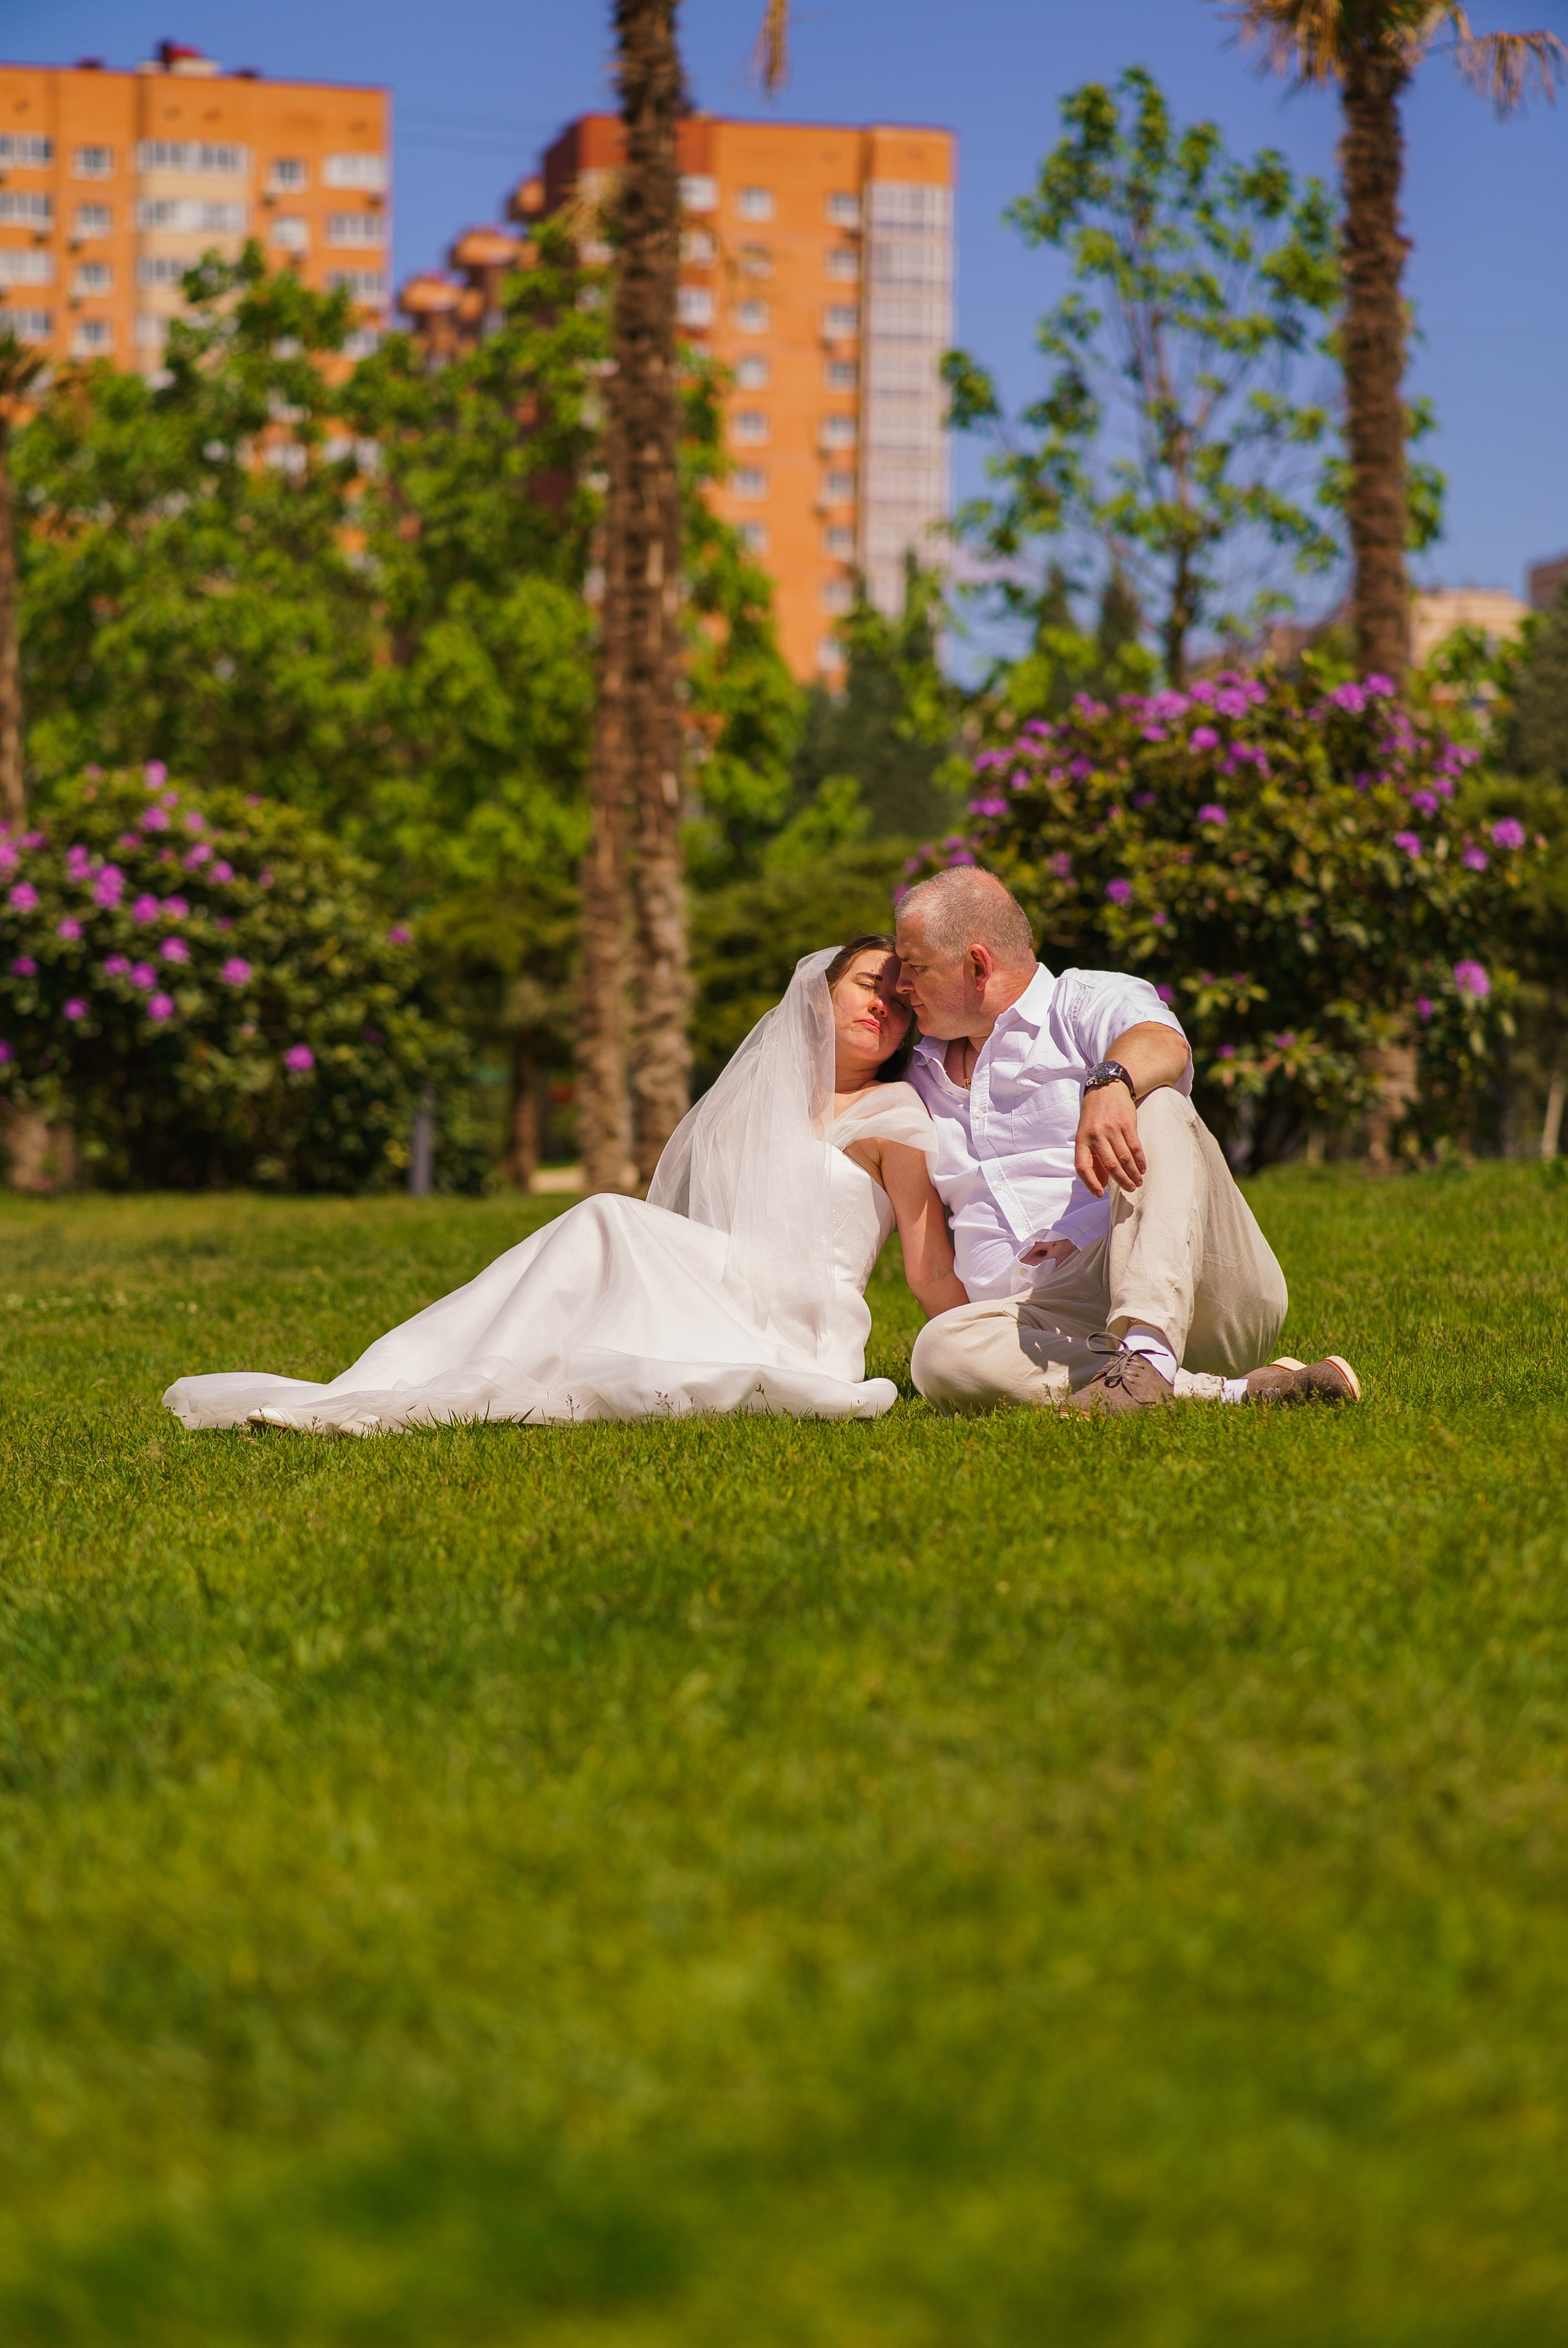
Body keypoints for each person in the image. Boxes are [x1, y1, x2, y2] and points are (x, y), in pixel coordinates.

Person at [163, 938, 965, 1436]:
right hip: (725, 1289)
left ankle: (443, 1384)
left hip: (803, 1325)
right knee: (605, 1228)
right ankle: (397, 1380)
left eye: (900, 999)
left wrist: (966, 1361)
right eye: (868, 983)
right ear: (822, 991)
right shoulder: (756, 1104)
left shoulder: (897, 1114)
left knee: (609, 1220)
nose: (883, 1006)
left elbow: (927, 1269)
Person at [894, 866, 1360, 1414]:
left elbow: (1163, 1043)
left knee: (1158, 1101)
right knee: (938, 1353)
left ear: (976, 965)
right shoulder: (915, 1073)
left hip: (1193, 1286)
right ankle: (1216, 1390)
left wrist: (1110, 1079)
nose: (901, 986)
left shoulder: (1085, 1001)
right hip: (1043, 1324)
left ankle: (1152, 1349)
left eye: (915, 968)